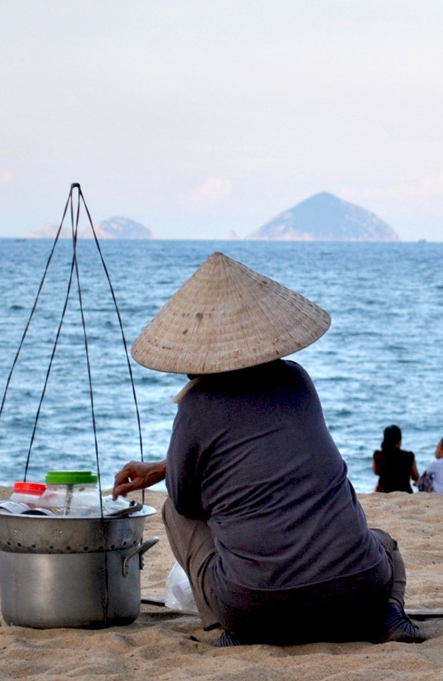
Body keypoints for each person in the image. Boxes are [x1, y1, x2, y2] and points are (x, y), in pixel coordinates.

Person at [112, 252, 423, 647]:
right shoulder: (297, 381)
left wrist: (180, 477)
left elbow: (189, 502)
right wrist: (163, 466)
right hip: (356, 592)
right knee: (385, 544)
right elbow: (271, 456)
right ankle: (389, 613)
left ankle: (230, 628)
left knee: (173, 509)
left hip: (254, 608)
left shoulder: (196, 406)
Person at [372, 425, 418, 493]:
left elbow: (376, 472)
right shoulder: (409, 456)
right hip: (405, 491)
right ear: (399, 441)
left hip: (384, 491)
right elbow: (415, 477)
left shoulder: (378, 455)